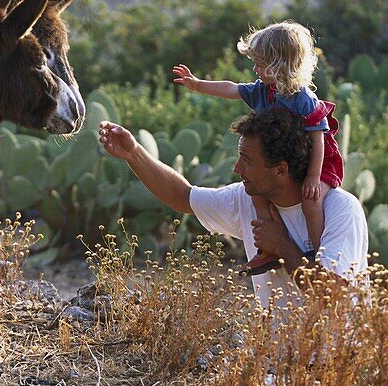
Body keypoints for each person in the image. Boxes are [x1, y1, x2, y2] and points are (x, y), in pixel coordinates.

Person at [97, 110, 368, 310]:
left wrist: (284, 247)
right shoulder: (247, 198)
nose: (237, 169)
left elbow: (334, 296)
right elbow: (183, 196)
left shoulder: (341, 209)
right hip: (280, 365)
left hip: (340, 370)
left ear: (281, 170)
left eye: (247, 161)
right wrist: (133, 154)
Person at [172, 21, 342, 275]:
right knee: (257, 195)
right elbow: (231, 88)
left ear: (280, 65)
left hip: (315, 163)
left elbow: (319, 141)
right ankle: (269, 248)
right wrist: (198, 84)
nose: (255, 69)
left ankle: (317, 255)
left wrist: (312, 178)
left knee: (310, 201)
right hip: (282, 166)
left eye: (260, 64)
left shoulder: (303, 100)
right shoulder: (264, 91)